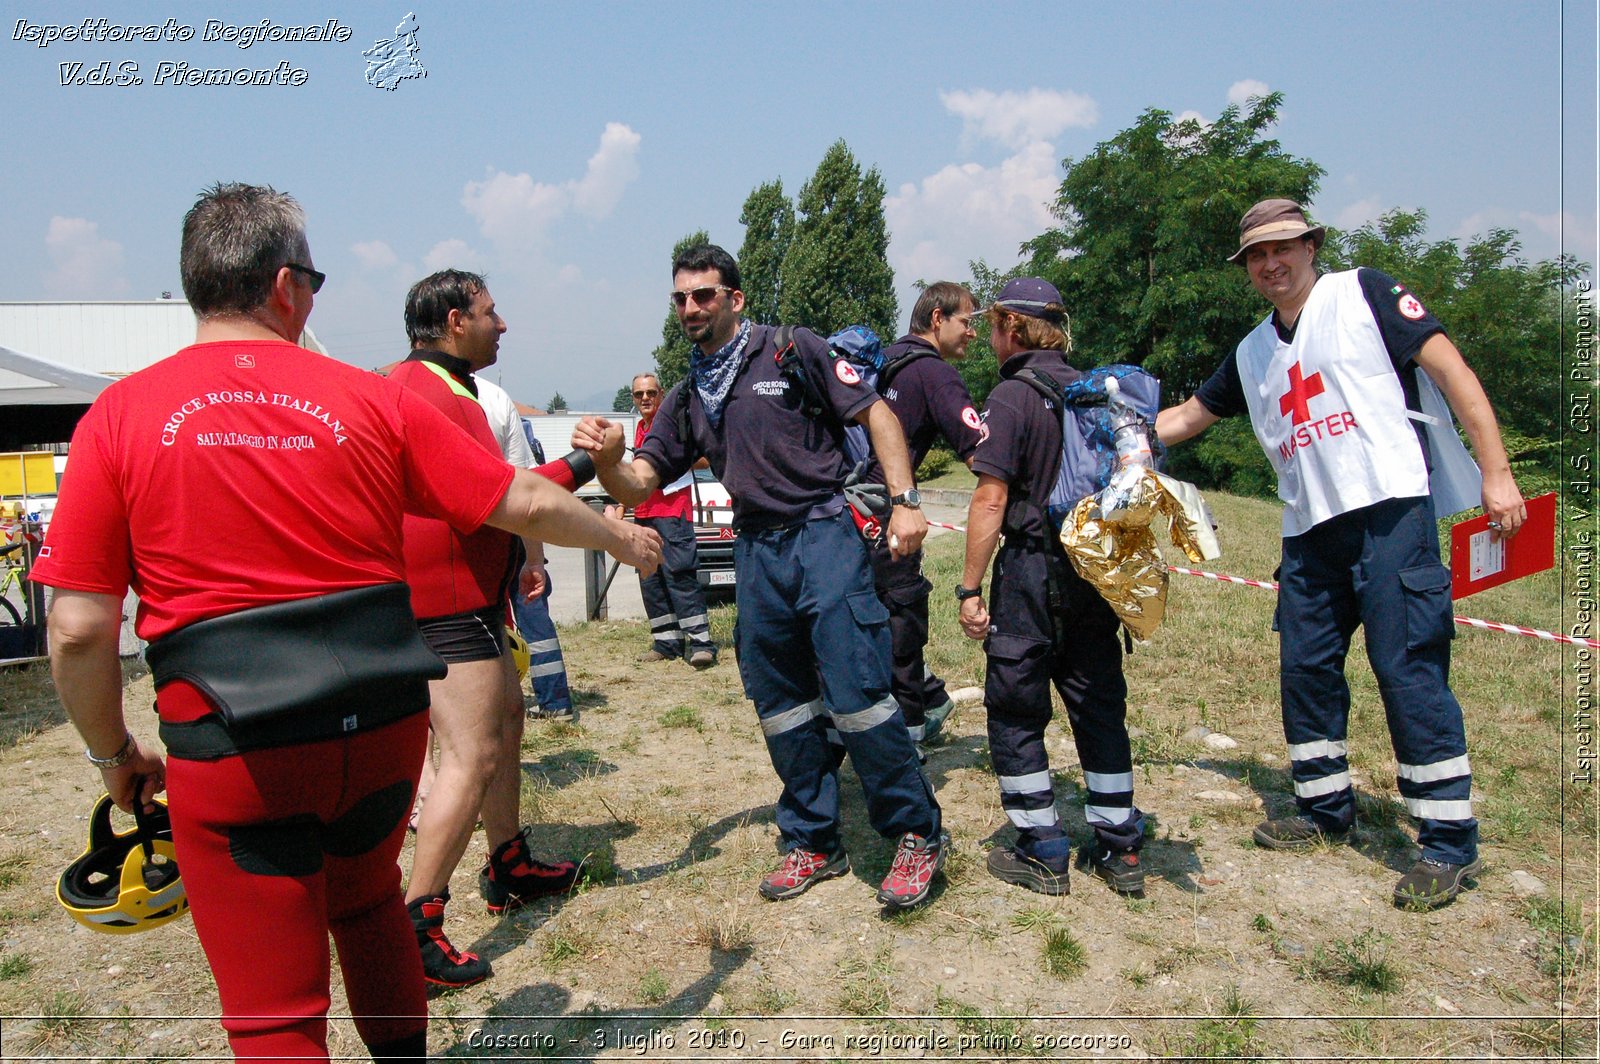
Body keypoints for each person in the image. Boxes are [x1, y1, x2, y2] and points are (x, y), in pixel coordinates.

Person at [30, 183, 660, 1063]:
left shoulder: (120, 416)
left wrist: (113, 755)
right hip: (380, 719)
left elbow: (79, 630)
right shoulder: (369, 398)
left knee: (278, 1012)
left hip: (235, 742)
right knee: (368, 910)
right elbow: (515, 499)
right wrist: (623, 540)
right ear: (286, 285)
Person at [1156, 198, 1527, 910]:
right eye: (1256, 257)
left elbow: (1453, 373)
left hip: (1391, 512)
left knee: (1407, 667)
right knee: (1306, 669)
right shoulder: (1253, 351)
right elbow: (1191, 417)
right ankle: (1325, 809)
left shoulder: (1365, 293)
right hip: (1308, 534)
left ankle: (1446, 842)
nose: (1271, 264)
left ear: (1311, 245)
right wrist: (1118, 430)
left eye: (1283, 249)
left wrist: (1497, 470)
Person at [575, 243, 948, 909]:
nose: (691, 308)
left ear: (734, 298)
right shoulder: (689, 395)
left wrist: (906, 502)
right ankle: (812, 839)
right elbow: (638, 479)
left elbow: (878, 415)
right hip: (758, 554)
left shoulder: (790, 348)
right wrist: (606, 459)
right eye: (681, 298)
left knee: (860, 697)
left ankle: (916, 835)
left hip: (823, 536)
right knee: (782, 705)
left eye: (705, 295)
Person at [387, 271, 590, 988]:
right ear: (453, 322)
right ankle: (417, 923)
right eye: (490, 312)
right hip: (443, 604)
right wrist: (593, 463)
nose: (502, 325)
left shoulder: (443, 390)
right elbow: (510, 500)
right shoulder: (434, 396)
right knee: (469, 756)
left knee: (506, 721)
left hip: (469, 599)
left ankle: (510, 863)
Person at [957, 278, 1147, 897]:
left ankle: (1041, 847)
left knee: (1015, 706)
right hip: (1093, 567)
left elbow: (991, 497)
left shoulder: (1011, 397)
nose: (989, 338)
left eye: (993, 326)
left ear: (1013, 327)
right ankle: (1120, 848)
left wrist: (969, 587)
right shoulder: (1093, 392)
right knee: (1097, 704)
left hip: (1032, 571)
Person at [859, 282, 986, 749]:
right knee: (901, 628)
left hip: (845, 511)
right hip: (888, 519)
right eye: (966, 322)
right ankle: (910, 740)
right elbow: (981, 454)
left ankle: (929, 699)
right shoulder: (935, 374)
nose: (972, 333)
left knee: (862, 625)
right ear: (937, 319)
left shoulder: (883, 362)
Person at [628, 372, 717, 669]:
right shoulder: (640, 429)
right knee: (650, 579)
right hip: (643, 513)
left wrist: (672, 458)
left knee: (680, 576)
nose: (645, 399)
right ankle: (666, 642)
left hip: (672, 512)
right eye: (639, 394)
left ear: (661, 394)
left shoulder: (675, 424)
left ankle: (701, 643)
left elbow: (705, 457)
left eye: (651, 393)